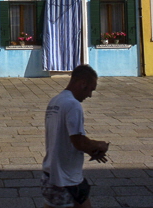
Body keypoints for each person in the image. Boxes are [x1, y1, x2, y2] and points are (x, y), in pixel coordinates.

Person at [41, 64, 109, 208]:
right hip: (64, 179)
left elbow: (63, 137)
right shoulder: (73, 105)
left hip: (55, 172)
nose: (90, 95)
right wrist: (99, 145)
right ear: (83, 83)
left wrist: (91, 150)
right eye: (91, 89)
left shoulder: (55, 101)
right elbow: (78, 141)